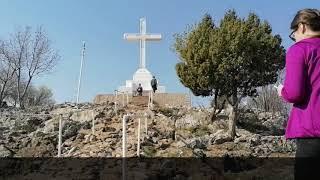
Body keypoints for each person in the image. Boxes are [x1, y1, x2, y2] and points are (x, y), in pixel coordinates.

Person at [276, 8, 320, 179]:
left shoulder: (300, 49)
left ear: (302, 26)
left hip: (312, 132)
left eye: (293, 33)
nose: (294, 37)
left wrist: (282, 92)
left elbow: (294, 93)